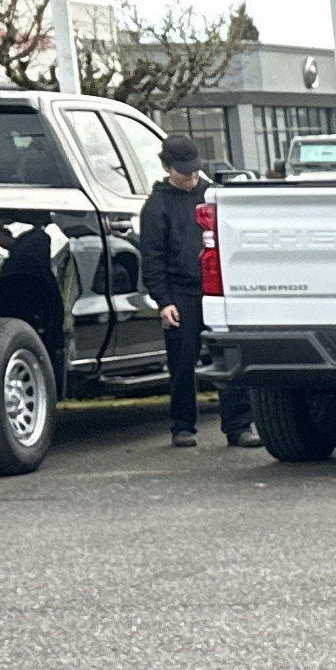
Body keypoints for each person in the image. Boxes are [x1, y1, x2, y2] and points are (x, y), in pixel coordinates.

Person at [136, 137, 217, 446]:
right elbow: (152, 257)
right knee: (183, 360)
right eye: (185, 173)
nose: (192, 178)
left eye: (195, 171)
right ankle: (182, 426)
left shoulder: (210, 195)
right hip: (180, 291)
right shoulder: (157, 206)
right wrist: (163, 301)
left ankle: (240, 425)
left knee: (229, 353)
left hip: (214, 287)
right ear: (168, 168)